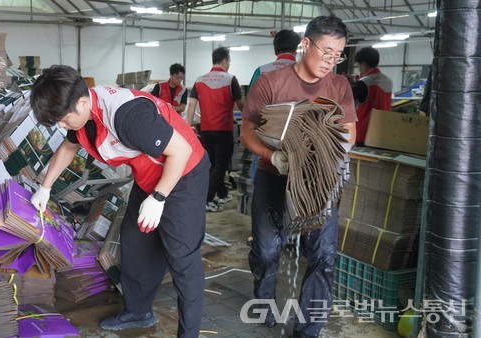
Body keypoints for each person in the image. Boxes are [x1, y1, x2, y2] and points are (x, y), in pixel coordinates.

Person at [28, 65, 209, 338]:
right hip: (150, 176)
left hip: (183, 175)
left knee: (181, 256)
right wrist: (45, 187)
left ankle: (189, 333)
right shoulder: (82, 115)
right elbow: (68, 146)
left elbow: (181, 151)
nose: (62, 126)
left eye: (63, 120)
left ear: (81, 102)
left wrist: (158, 199)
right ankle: (139, 312)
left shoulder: (127, 115)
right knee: (135, 242)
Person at [240, 16, 357, 338]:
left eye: (339, 55)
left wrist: (328, 153)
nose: (331, 62)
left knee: (323, 254)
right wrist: (273, 156)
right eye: (327, 52)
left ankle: (309, 329)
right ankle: (264, 302)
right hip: (274, 176)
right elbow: (247, 130)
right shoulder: (271, 83)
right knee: (267, 249)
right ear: (305, 44)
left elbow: (349, 130)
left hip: (320, 183)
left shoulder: (339, 86)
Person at [186, 47, 243, 212]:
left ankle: (223, 194)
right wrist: (248, 123)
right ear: (225, 61)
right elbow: (241, 105)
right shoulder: (230, 79)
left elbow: (191, 104)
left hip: (205, 131)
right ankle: (207, 199)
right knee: (221, 165)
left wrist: (189, 125)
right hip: (223, 130)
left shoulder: (199, 80)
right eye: (229, 61)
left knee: (212, 165)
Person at [247, 29, 302, 181]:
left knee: (262, 182)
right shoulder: (306, 72)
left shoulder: (262, 71)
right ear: (296, 49)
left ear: (275, 50)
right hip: (297, 141)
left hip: (265, 141)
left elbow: (251, 108)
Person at [351, 46, 392, 145]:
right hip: (383, 132)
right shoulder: (387, 80)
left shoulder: (364, 83)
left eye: (359, 65)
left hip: (364, 133)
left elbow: (344, 98)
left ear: (364, 65)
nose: (359, 69)